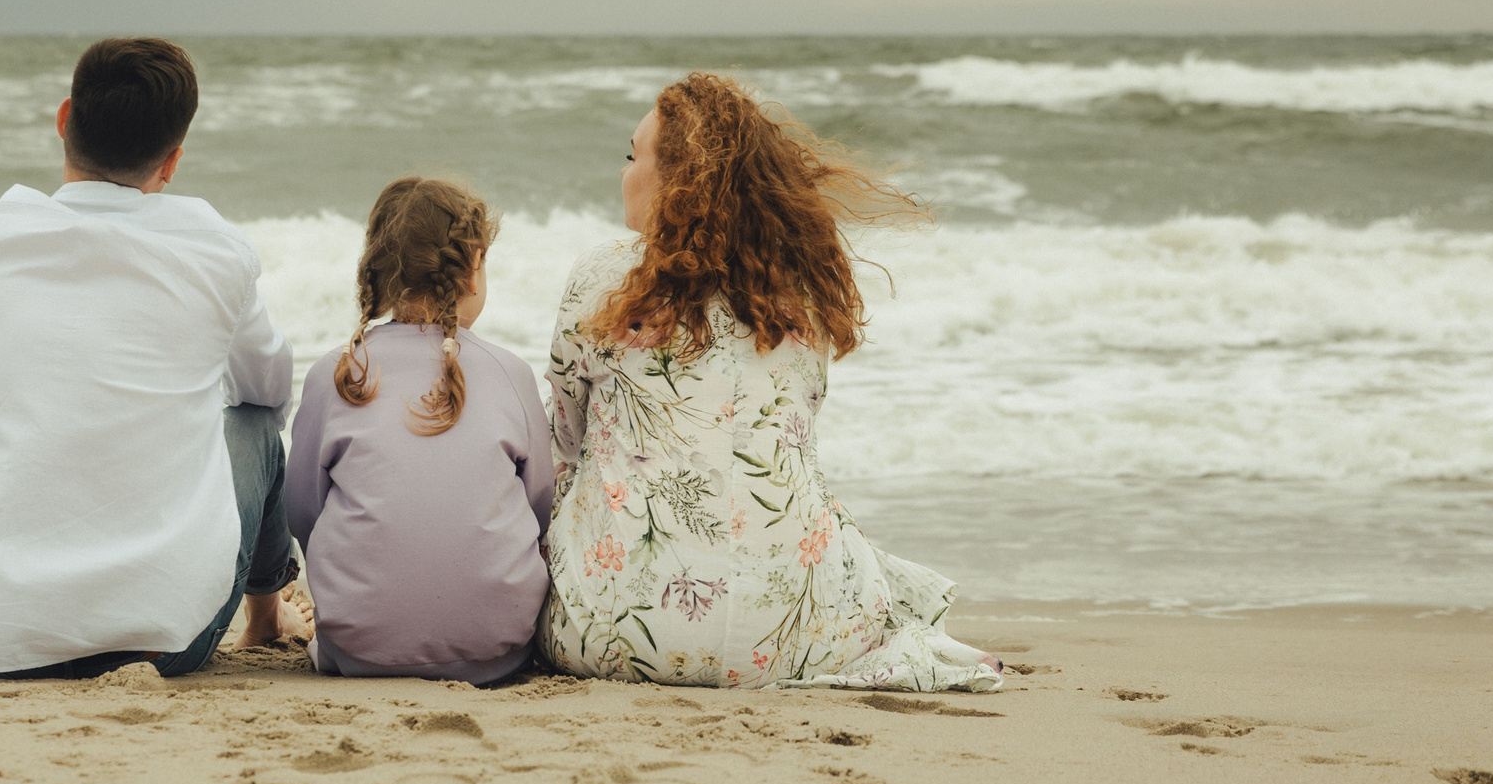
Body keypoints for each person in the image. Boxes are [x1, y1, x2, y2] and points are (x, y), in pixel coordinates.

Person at [541, 73, 1002, 692]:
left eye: (633, 156)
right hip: (796, 637)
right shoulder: (797, 294)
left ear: (678, 178)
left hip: (610, 636)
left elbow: (564, 439)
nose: (623, 172)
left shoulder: (602, 278)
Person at [0, 37, 298, 678]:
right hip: (167, 642)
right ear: (174, 161)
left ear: (64, 119)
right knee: (253, 424)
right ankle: (267, 618)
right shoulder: (215, 252)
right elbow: (269, 388)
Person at [285, 178, 552, 685]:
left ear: (378, 273)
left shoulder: (336, 375)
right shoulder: (512, 373)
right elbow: (538, 508)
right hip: (498, 649)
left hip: (360, 651)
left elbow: (302, 513)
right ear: (472, 271)